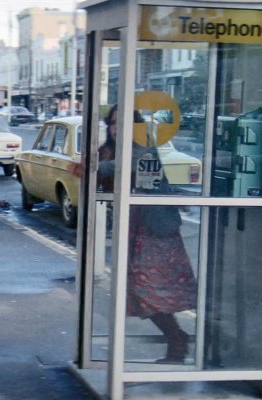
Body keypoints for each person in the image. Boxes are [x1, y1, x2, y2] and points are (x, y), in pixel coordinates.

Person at [99, 105, 198, 364]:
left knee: (149, 290)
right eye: (113, 123)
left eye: (124, 123)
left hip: (156, 230)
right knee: (138, 291)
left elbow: (123, 166)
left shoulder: (144, 150)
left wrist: (94, 166)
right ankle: (176, 340)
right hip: (135, 229)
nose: (117, 128)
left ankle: (176, 341)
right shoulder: (111, 151)